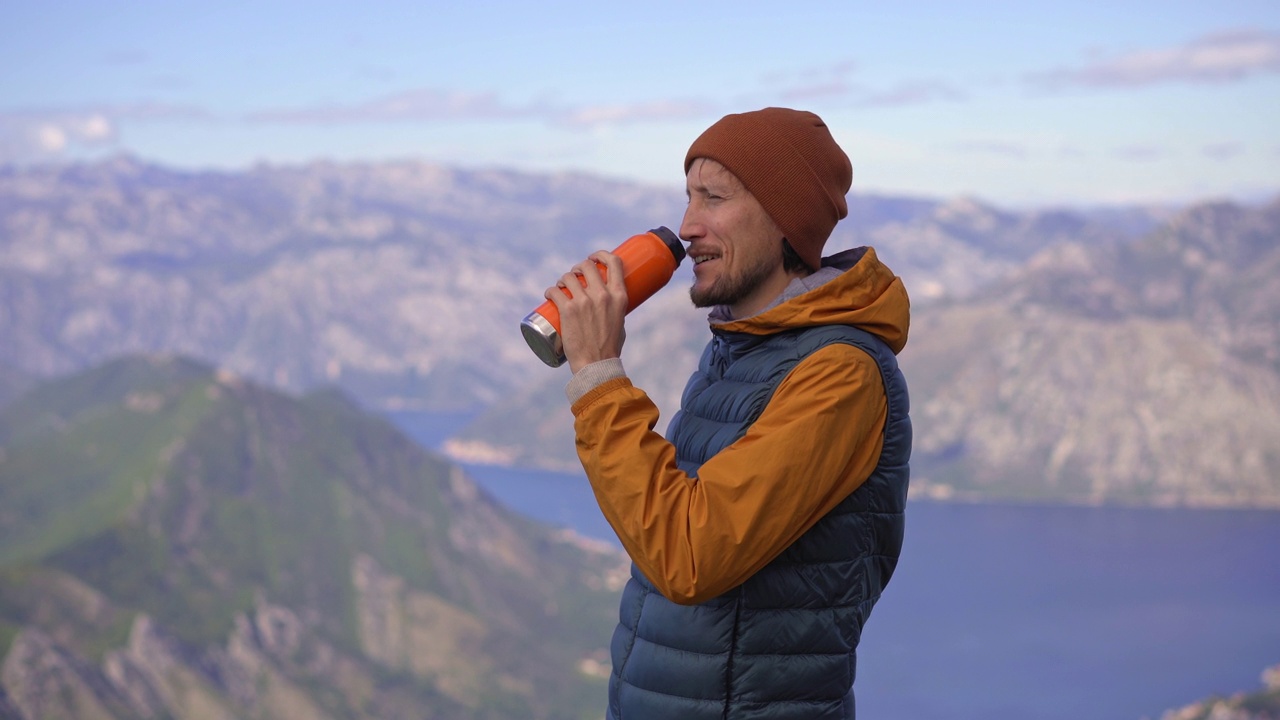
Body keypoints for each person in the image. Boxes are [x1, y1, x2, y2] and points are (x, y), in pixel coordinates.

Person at [543, 107, 911, 720]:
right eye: (688, 198)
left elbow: (688, 556)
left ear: (783, 218)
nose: (687, 226)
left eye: (713, 198)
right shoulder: (740, 349)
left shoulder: (840, 375)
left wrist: (600, 378)